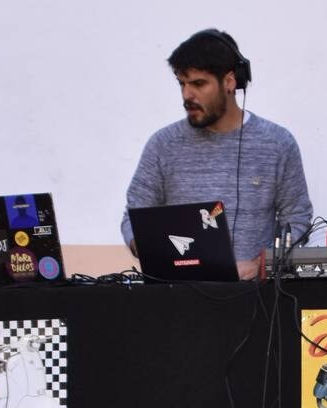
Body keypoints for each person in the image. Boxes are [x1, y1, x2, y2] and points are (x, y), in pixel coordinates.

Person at [122, 29, 313, 278]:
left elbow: (298, 220)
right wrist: (149, 248)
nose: (187, 95)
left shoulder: (277, 143)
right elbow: (134, 217)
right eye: (182, 84)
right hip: (177, 299)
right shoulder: (163, 144)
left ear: (230, 82)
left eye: (199, 84)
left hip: (254, 300)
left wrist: (259, 265)